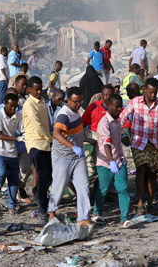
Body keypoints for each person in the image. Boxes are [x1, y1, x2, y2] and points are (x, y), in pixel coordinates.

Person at [119, 78, 158, 215]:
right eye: (150, 93)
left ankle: (150, 203)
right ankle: (140, 202)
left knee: (152, 172)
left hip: (153, 142)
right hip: (138, 141)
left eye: (155, 93)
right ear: (144, 90)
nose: (153, 96)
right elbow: (122, 117)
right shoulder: (134, 103)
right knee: (141, 168)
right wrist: (117, 133)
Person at [48, 86, 92, 226]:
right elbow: (56, 134)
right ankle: (52, 214)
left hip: (77, 157)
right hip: (63, 157)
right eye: (76, 102)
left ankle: (83, 218)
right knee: (58, 186)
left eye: (80, 101)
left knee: (83, 185)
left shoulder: (77, 111)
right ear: (69, 100)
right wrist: (72, 146)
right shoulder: (64, 115)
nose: (78, 104)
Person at [93, 94, 130, 225]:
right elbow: (106, 144)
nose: (120, 109)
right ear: (109, 105)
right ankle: (97, 213)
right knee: (103, 189)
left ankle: (124, 218)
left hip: (119, 160)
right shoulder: (105, 123)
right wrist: (111, 161)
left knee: (123, 188)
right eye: (117, 107)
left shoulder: (118, 120)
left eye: (121, 106)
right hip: (105, 162)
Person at [23, 76, 52, 221]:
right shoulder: (29, 104)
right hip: (36, 143)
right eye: (36, 89)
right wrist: (51, 139)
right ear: (29, 90)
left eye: (40, 89)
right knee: (43, 175)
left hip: (45, 143)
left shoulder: (41, 101)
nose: (39, 91)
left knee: (48, 175)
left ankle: (41, 199)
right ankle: (42, 209)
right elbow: (38, 126)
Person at [0, 93, 22, 214]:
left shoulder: (18, 116)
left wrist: (25, 136)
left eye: (15, 106)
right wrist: (17, 139)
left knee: (14, 178)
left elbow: (22, 130)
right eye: (10, 106)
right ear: (5, 104)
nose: (13, 109)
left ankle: (12, 205)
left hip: (12, 150)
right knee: (2, 172)